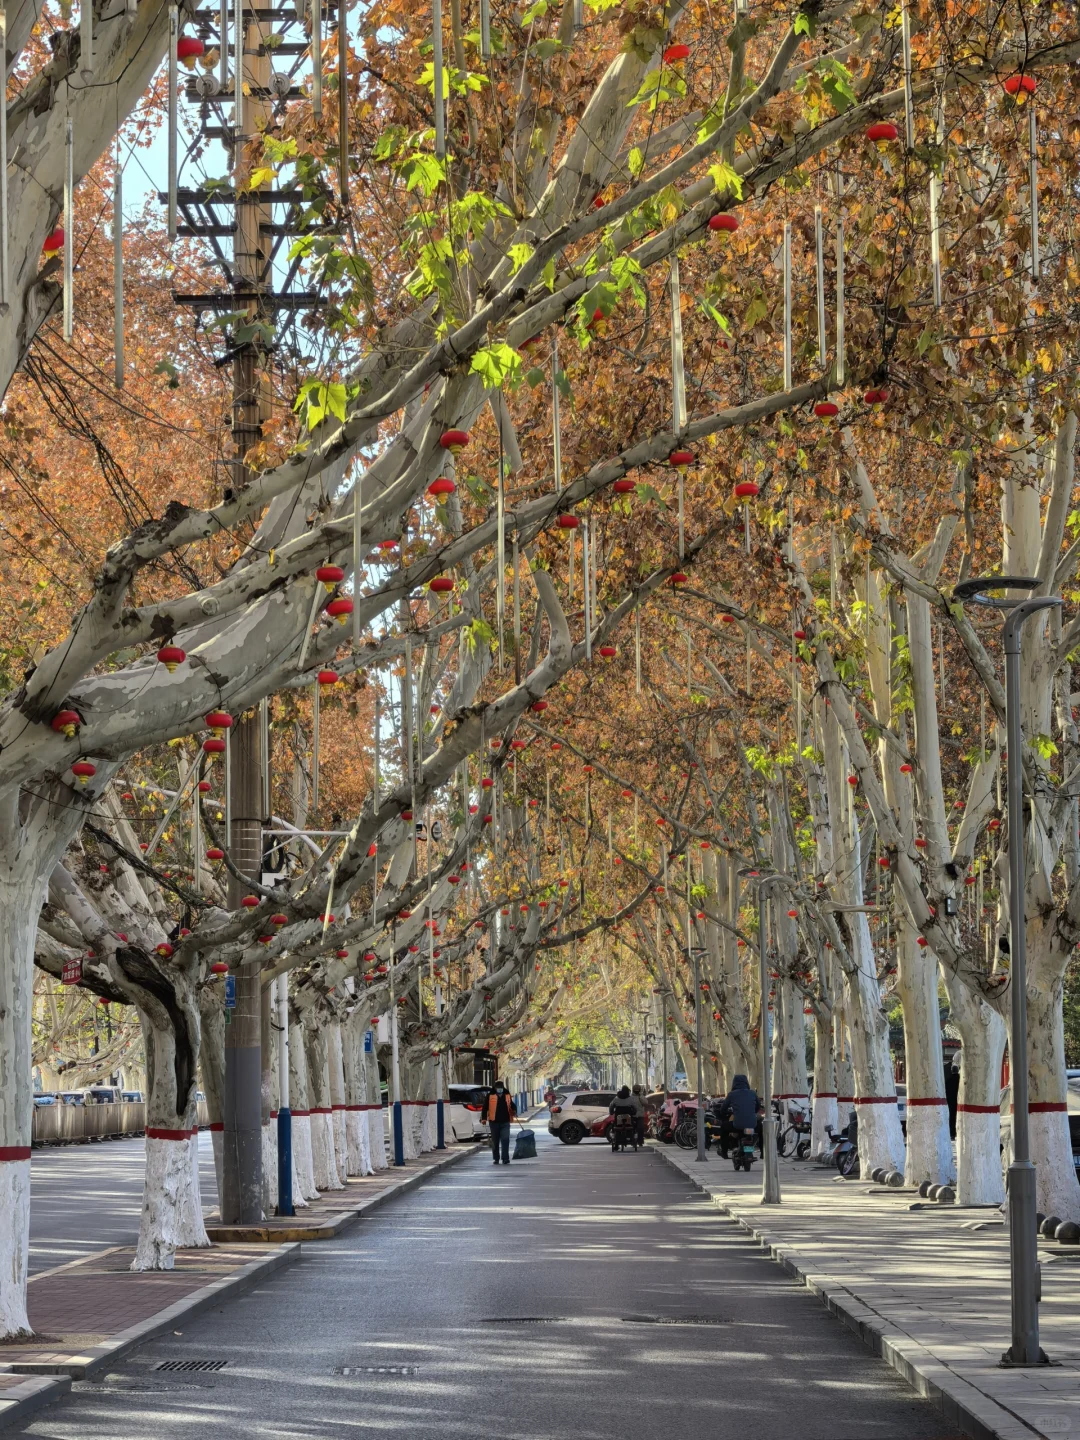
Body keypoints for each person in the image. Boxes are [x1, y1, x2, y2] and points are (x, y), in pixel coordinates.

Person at [486, 1082, 517, 1164]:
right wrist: (483, 1118)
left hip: (505, 1122)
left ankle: (505, 1158)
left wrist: (514, 1110)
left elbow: (511, 1104)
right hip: (494, 1122)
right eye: (498, 1088)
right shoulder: (490, 1096)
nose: (500, 1089)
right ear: (495, 1088)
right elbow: (485, 1107)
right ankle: (496, 1158)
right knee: (495, 1141)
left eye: (501, 1087)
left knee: (505, 1140)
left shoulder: (507, 1095)